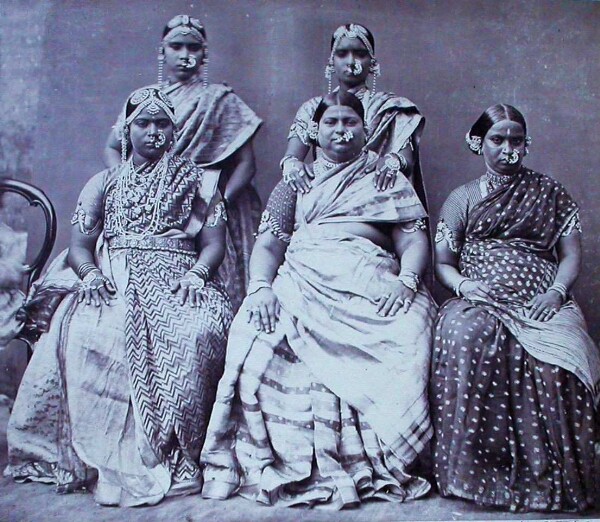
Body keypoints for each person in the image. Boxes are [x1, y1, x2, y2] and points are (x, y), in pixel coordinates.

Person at [200, 92, 436, 509]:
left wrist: (408, 280)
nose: (341, 131)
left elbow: (414, 239)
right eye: (332, 123)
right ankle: (277, 459)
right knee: (255, 338)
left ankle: (384, 457)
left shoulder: (386, 179)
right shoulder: (296, 181)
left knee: (410, 329)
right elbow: (269, 244)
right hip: (302, 279)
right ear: (316, 131)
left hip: (373, 277)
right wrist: (261, 287)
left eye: (350, 123)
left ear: (366, 131)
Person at [6, 88, 232, 506]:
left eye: (162, 123)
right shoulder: (104, 182)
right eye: (143, 123)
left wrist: (199, 276)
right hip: (114, 274)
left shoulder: (201, 182)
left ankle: (179, 456)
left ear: (174, 129)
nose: (153, 132)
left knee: (195, 333)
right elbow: (79, 246)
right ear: (127, 130)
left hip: (180, 275)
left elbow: (214, 244)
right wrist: (90, 275)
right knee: (91, 333)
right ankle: (106, 459)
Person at [431, 104, 600, 512]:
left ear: (527, 144)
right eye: (498, 139)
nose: (508, 148)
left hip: (541, 298)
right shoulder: (463, 198)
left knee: (565, 354)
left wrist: (556, 293)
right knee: (463, 334)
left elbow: (571, 254)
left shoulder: (551, 192)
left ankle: (555, 482)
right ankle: (474, 479)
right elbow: (441, 263)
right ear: (478, 143)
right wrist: (466, 286)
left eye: (516, 140)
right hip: (481, 297)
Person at [103, 15, 262, 312]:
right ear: (163, 51)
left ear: (204, 54)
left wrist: (215, 203)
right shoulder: (145, 100)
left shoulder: (219, 100)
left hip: (205, 196)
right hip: (151, 197)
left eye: (193, 47)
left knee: (213, 290)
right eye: (177, 46)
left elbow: (246, 165)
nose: (185, 55)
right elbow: (113, 148)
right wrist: (127, 183)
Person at [280, 23, 427, 208]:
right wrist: (292, 165)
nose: (351, 61)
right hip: (324, 197)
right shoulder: (312, 108)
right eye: (342, 54)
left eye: (360, 54)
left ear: (372, 61)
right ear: (331, 61)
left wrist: (391, 161)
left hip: (377, 197)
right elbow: (292, 156)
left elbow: (405, 158)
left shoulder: (392, 108)